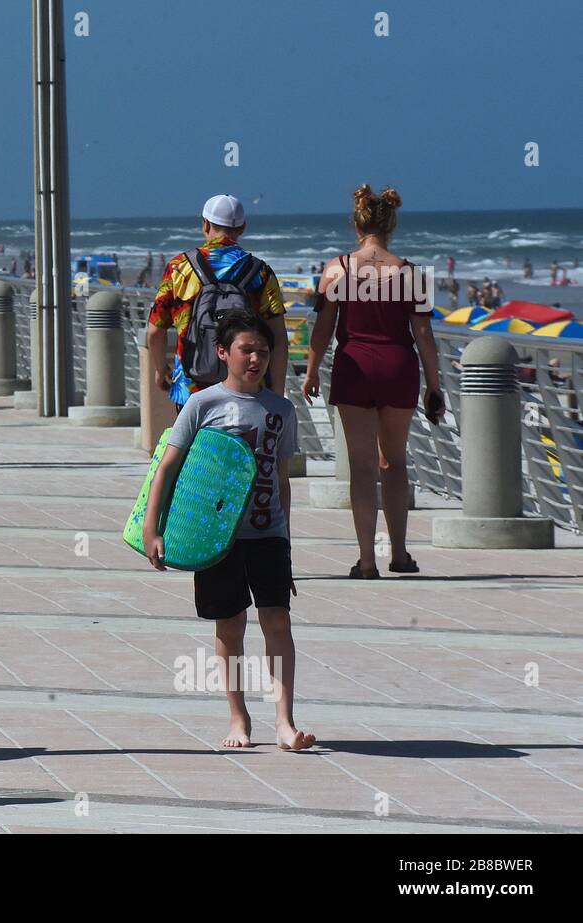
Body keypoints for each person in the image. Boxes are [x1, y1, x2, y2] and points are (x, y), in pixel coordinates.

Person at [143, 311, 313, 751]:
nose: (256, 358)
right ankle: (238, 718)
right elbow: (169, 466)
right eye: (246, 350)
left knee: (278, 620)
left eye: (263, 350)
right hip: (217, 537)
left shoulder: (281, 408)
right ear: (223, 353)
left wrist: (288, 545)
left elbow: (281, 479)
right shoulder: (203, 404)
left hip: (268, 533)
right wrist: (152, 528)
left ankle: (285, 721)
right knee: (230, 626)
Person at [302, 184, 443, 579]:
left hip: (354, 365)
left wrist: (312, 370)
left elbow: (323, 328)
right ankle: (399, 553)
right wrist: (434, 385)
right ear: (391, 224)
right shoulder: (410, 273)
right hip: (399, 366)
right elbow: (424, 335)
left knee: (362, 468)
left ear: (357, 222)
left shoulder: (337, 268)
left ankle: (366, 560)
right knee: (394, 462)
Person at [147, 194, 289, 411]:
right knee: (240, 445)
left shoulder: (179, 267)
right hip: (246, 389)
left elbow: (155, 332)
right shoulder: (260, 272)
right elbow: (278, 339)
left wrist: (160, 369)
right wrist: (277, 394)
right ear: (242, 228)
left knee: (196, 445)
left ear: (205, 224)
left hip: (191, 388)